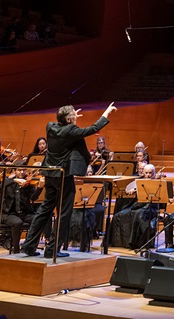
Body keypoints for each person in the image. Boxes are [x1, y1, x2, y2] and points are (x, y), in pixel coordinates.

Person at [20, 102, 116, 258]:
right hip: (63, 176)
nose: (75, 116)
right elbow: (92, 129)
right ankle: (52, 249)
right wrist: (106, 113)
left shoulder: (50, 126)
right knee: (64, 213)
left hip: (50, 174)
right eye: (73, 115)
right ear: (69, 119)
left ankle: (29, 245)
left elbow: (66, 127)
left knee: (45, 209)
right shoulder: (71, 130)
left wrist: (72, 119)